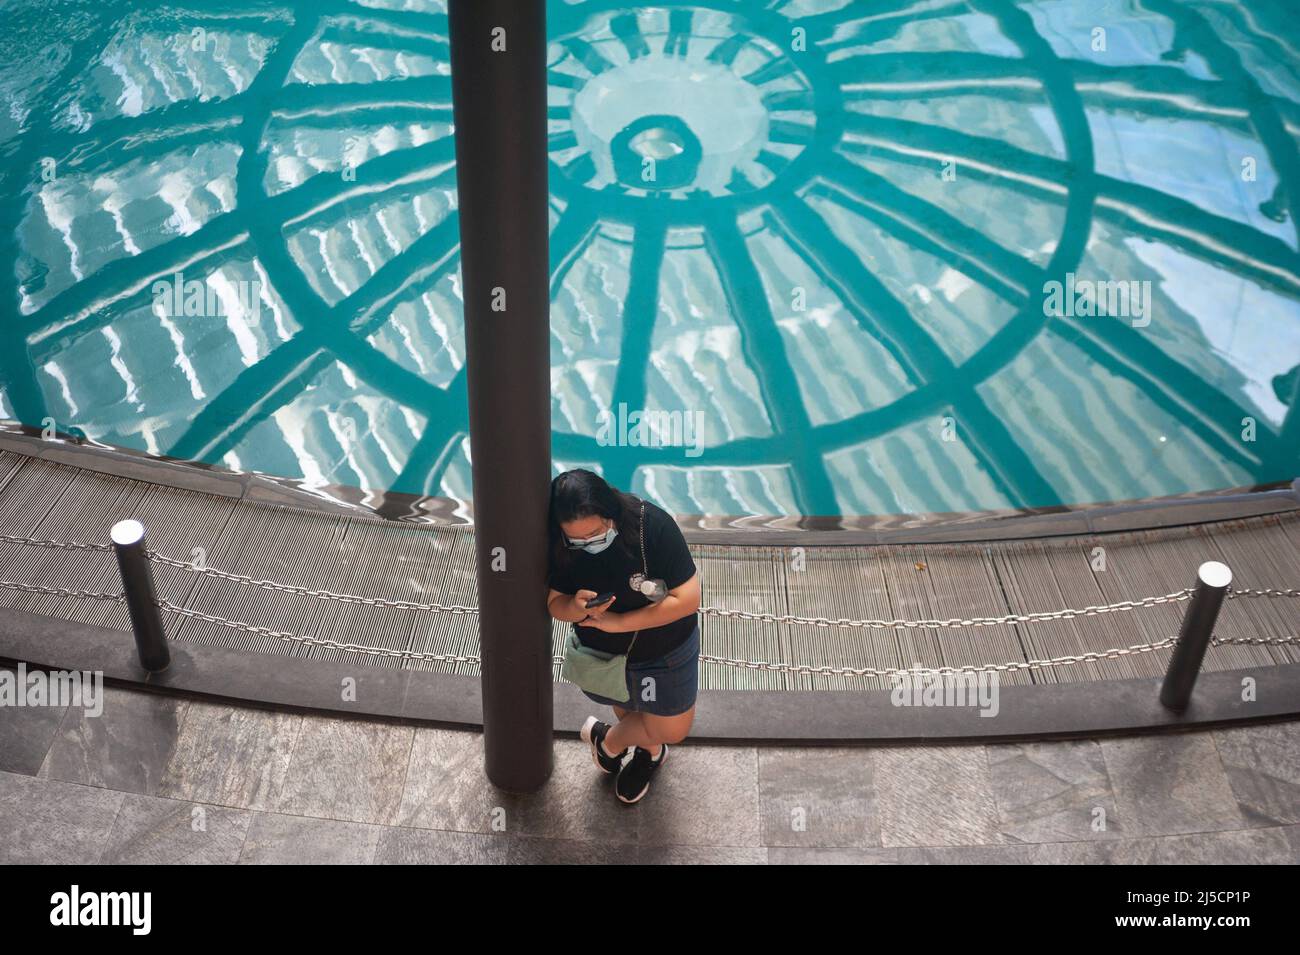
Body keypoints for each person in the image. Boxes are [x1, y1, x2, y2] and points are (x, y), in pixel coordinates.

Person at [545, 468, 701, 804]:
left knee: (672, 728)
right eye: (578, 540)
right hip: (607, 656)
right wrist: (574, 605)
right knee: (631, 712)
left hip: (666, 651)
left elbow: (688, 598)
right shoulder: (559, 543)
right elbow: (554, 604)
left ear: (612, 514)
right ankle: (648, 754)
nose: (588, 544)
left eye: (597, 533)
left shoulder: (652, 527)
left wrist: (621, 622)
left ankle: (609, 743)